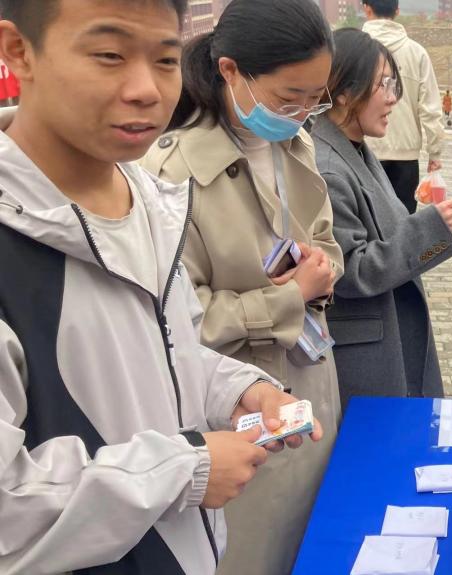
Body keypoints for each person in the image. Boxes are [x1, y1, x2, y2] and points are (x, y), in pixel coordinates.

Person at [0, 0, 324, 572]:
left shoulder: (151, 204)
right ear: (18, 51)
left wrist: (239, 390)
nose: (146, 90)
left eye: (166, 59)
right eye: (109, 55)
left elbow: (163, 354)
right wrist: (184, 469)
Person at [140, 1, 343, 573]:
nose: (301, 114)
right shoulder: (172, 174)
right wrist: (287, 298)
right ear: (230, 71)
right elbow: (179, 321)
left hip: (310, 374)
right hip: (238, 407)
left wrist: (321, 269)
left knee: (317, 537)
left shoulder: (294, 144)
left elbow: (326, 241)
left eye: (315, 99)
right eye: (289, 98)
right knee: (255, 552)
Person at [312, 28, 452, 410]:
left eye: (394, 85)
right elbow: (350, 271)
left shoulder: (354, 148)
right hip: (367, 351)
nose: (394, 98)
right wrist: (432, 228)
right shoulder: (328, 167)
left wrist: (433, 225)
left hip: (388, 332)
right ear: (344, 91)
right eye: (384, 84)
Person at [362, 0, 445, 214]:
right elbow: (430, 109)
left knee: (367, 220)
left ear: (366, 8)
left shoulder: (354, 51)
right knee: (404, 223)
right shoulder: (417, 53)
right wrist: (434, 153)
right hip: (405, 156)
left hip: (362, 150)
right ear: (397, 11)